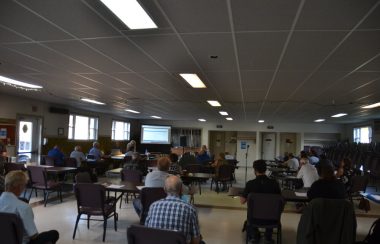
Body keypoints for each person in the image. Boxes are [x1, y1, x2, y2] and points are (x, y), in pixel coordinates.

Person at [0, 170, 59, 244]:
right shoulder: (23, 207)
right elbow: (33, 235)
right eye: (24, 185)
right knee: (54, 234)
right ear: (20, 186)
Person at [145, 175, 202, 244]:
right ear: (181, 189)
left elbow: (147, 231)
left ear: (164, 189)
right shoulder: (190, 209)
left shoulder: (153, 206)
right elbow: (196, 241)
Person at [240, 160, 281, 244]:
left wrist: (245, 195)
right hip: (272, 219)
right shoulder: (274, 184)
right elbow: (279, 200)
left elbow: (242, 201)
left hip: (254, 219)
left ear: (255, 170)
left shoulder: (250, 184)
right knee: (270, 210)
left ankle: (255, 236)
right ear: (265, 170)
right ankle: (268, 237)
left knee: (252, 212)